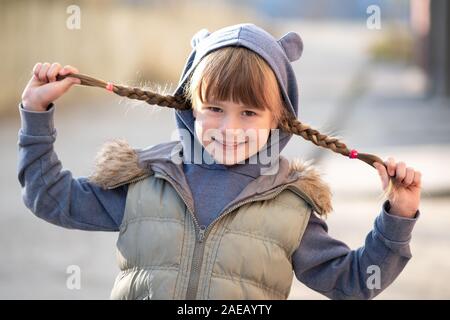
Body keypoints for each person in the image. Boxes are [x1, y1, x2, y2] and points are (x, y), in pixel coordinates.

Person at [18, 23, 422, 299]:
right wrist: (36, 115)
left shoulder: (290, 205)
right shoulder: (145, 180)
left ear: (277, 120)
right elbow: (51, 198)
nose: (229, 128)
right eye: (214, 108)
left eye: (248, 113)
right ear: (190, 106)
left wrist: (397, 218)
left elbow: (353, 282)